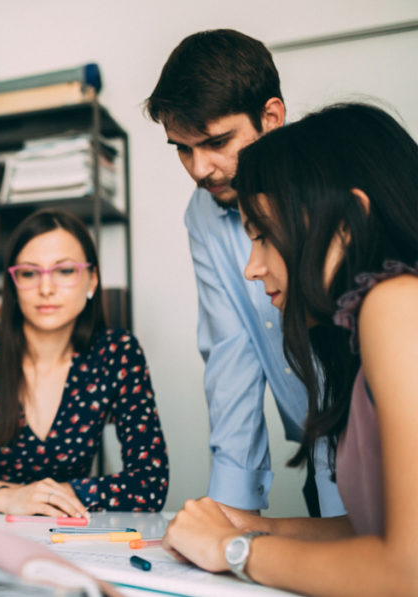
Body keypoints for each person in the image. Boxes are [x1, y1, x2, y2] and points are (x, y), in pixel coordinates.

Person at [163, 103, 418, 594]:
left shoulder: (396, 304)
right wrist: (249, 526)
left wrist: (230, 550)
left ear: (348, 222)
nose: (251, 268)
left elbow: (406, 570)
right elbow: (372, 532)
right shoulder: (363, 326)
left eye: (263, 236)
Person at [145, 29, 344, 518]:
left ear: (271, 117)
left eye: (216, 142)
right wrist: (233, 514)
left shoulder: (334, 192)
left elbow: (338, 365)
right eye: (182, 149)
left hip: (379, 452)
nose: (199, 169)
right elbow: (231, 355)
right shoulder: (204, 213)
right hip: (321, 459)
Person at [0, 208, 168, 516]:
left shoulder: (117, 353)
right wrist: (1, 498)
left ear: (92, 281)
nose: (46, 288)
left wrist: (44, 495)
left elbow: (150, 483)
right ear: (13, 283)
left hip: (72, 530)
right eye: (29, 273)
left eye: (64, 271)